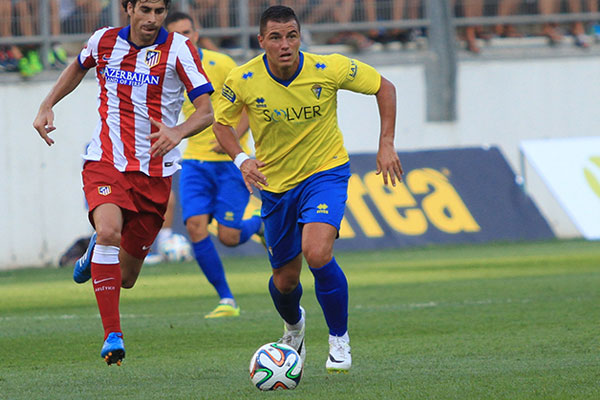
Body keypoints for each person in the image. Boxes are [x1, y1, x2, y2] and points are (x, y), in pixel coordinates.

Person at [212, 5, 403, 373]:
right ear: (261, 41)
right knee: (284, 282)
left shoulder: (327, 67)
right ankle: (294, 326)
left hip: (325, 173)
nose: (285, 45)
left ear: (300, 37)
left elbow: (385, 87)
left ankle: (339, 339)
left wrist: (386, 143)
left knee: (316, 252)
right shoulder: (243, 79)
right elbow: (222, 125)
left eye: (292, 36)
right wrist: (241, 159)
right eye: (276, 37)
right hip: (276, 186)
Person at [32, 0, 214, 366]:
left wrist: (178, 131)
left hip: (154, 175)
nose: (151, 18)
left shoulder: (180, 50)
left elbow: (206, 111)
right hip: (106, 161)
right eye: (144, 9)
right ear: (127, 8)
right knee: (110, 232)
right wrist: (47, 103)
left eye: (159, 11)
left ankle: (93, 253)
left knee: (126, 278)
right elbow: (77, 67)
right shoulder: (103, 41)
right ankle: (112, 334)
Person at [165, 11, 265, 319]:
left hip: (229, 161)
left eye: (188, 32)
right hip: (194, 160)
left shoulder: (220, 64)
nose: (185, 38)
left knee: (228, 237)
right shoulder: (168, 68)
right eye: (177, 34)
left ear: (196, 33)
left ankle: (260, 224)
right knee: (195, 226)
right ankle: (226, 299)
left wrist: (233, 137)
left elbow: (250, 102)